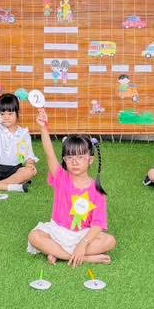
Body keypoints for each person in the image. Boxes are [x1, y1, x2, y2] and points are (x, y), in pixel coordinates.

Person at [27, 109, 116, 267]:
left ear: (90, 160)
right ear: (64, 160)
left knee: (110, 241)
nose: (75, 162)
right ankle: (80, 257)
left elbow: (97, 225)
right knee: (34, 236)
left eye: (80, 157)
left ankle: (58, 253)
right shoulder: (61, 177)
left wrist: (83, 243)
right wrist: (43, 127)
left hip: (83, 236)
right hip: (57, 232)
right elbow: (49, 153)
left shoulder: (97, 191)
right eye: (70, 157)